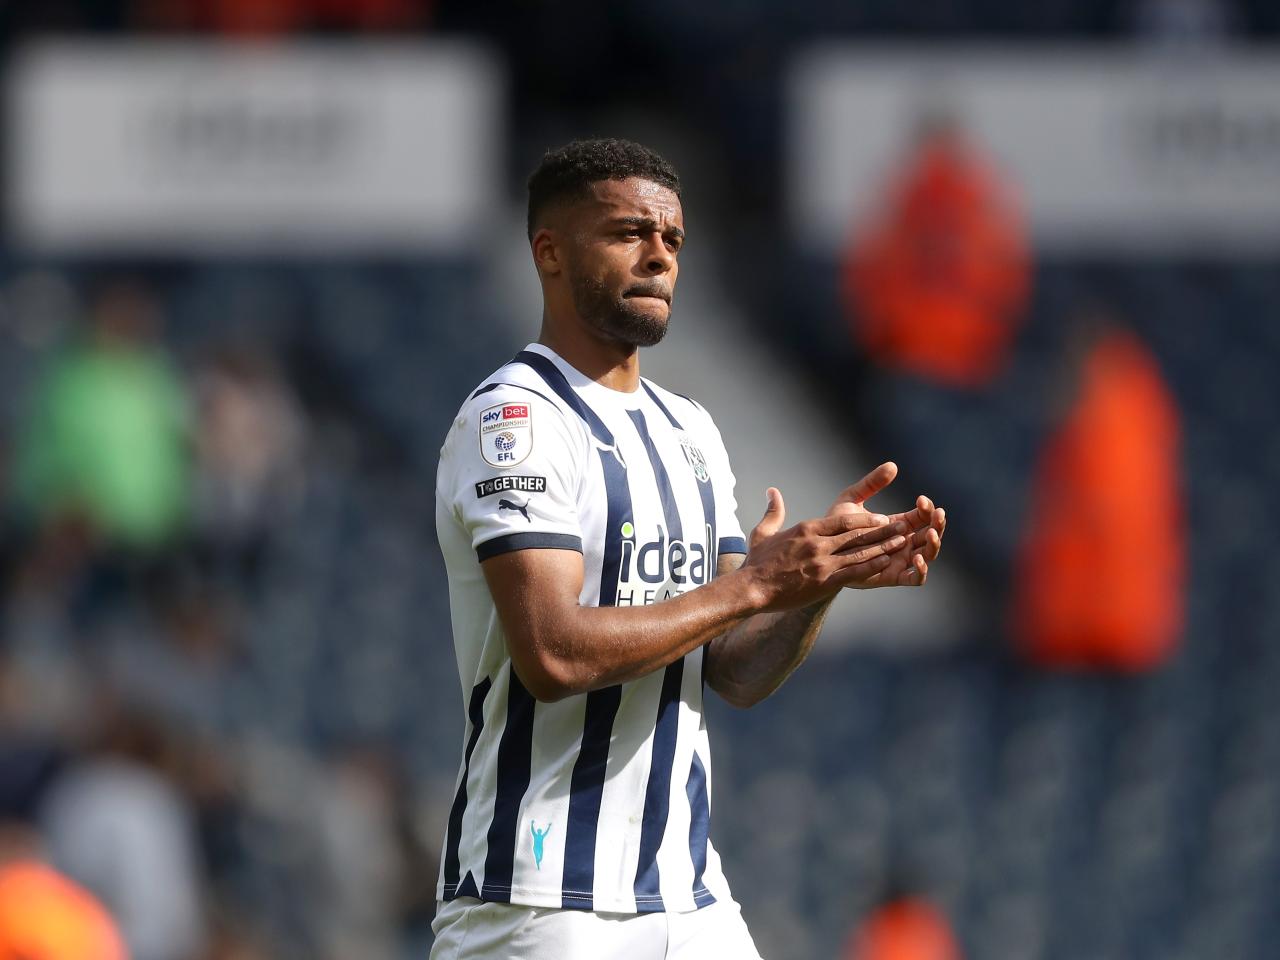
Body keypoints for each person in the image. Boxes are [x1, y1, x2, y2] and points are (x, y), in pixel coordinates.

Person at [431, 138, 946, 959]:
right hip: (542, 902)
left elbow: (732, 672)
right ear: (551, 252)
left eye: (672, 240)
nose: (659, 256)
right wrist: (752, 587)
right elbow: (553, 655)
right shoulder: (515, 421)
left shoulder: (692, 432)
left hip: (690, 895)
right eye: (629, 233)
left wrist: (814, 584)